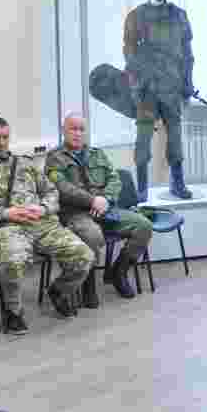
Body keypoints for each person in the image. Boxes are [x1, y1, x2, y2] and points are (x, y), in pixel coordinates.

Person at [0, 116, 95, 334]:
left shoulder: (26, 164)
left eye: (5, 137)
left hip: (42, 224)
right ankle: (13, 310)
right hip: (8, 227)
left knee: (84, 257)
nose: (2, 143)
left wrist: (43, 208)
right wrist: (6, 212)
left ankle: (59, 290)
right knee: (12, 260)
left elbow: (52, 192)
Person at [45, 112, 154, 307]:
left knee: (143, 226)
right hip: (75, 213)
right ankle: (88, 285)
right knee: (93, 235)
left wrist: (105, 199)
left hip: (105, 209)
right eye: (73, 129)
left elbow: (114, 179)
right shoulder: (55, 158)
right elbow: (63, 188)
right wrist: (92, 201)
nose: (77, 133)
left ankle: (118, 273)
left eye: (81, 129)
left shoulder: (97, 154)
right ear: (64, 131)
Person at [123, 0, 195, 201]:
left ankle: (178, 183)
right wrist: (137, 83)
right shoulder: (136, 16)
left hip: (172, 86)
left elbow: (187, 54)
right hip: (147, 87)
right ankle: (141, 187)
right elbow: (130, 53)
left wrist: (187, 83)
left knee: (175, 137)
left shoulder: (179, 15)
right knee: (143, 138)